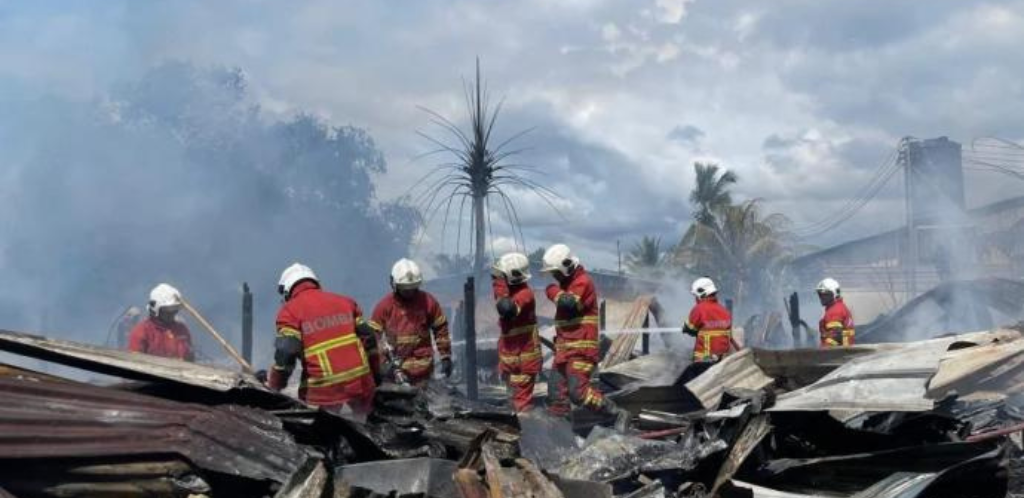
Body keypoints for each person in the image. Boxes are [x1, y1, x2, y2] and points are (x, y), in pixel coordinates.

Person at [266, 263, 378, 416]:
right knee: (372, 424)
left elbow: (285, 354)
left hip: (324, 390)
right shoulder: (346, 302)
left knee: (320, 432)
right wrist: (376, 376)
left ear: (287, 292)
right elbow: (369, 338)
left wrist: (273, 387)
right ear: (316, 283)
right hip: (361, 382)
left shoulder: (289, 312)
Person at [541, 244, 630, 431]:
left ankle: (617, 413)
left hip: (581, 349)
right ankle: (560, 432)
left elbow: (568, 304)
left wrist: (551, 290)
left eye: (555, 272)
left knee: (578, 393)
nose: (554, 277)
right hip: (565, 350)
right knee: (556, 393)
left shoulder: (583, 282)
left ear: (566, 266)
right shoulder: (568, 286)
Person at [368, 258, 452, 387]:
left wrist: (445, 356)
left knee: (427, 404)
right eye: (405, 289)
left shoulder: (428, 302)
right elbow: (373, 337)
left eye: (413, 288)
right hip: (397, 373)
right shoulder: (385, 306)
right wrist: (383, 364)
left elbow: (441, 328)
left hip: (424, 372)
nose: (410, 293)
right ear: (394, 285)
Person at [491, 252, 542, 412]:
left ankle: (530, 433)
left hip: (523, 361)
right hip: (511, 359)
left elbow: (506, 309)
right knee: (512, 404)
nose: (497, 279)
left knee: (521, 406)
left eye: (502, 276)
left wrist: (499, 285)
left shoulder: (525, 294)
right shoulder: (509, 293)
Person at [128, 283, 194, 361]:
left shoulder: (182, 329)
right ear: (155, 310)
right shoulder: (142, 331)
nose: (172, 314)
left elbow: (190, 359)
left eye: (175, 309)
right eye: (168, 310)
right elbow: (134, 364)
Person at [682, 277, 734, 363]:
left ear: (701, 293)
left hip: (704, 360)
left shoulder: (699, 309)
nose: (695, 299)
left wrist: (685, 327)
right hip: (723, 359)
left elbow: (690, 329)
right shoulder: (724, 311)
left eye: (696, 296)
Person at [816, 278, 855, 347]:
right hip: (845, 351)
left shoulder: (834, 312)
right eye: (820, 295)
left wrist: (822, 352)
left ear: (834, 294)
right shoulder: (839, 307)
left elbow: (836, 336)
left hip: (836, 354)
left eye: (825, 294)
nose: (821, 297)